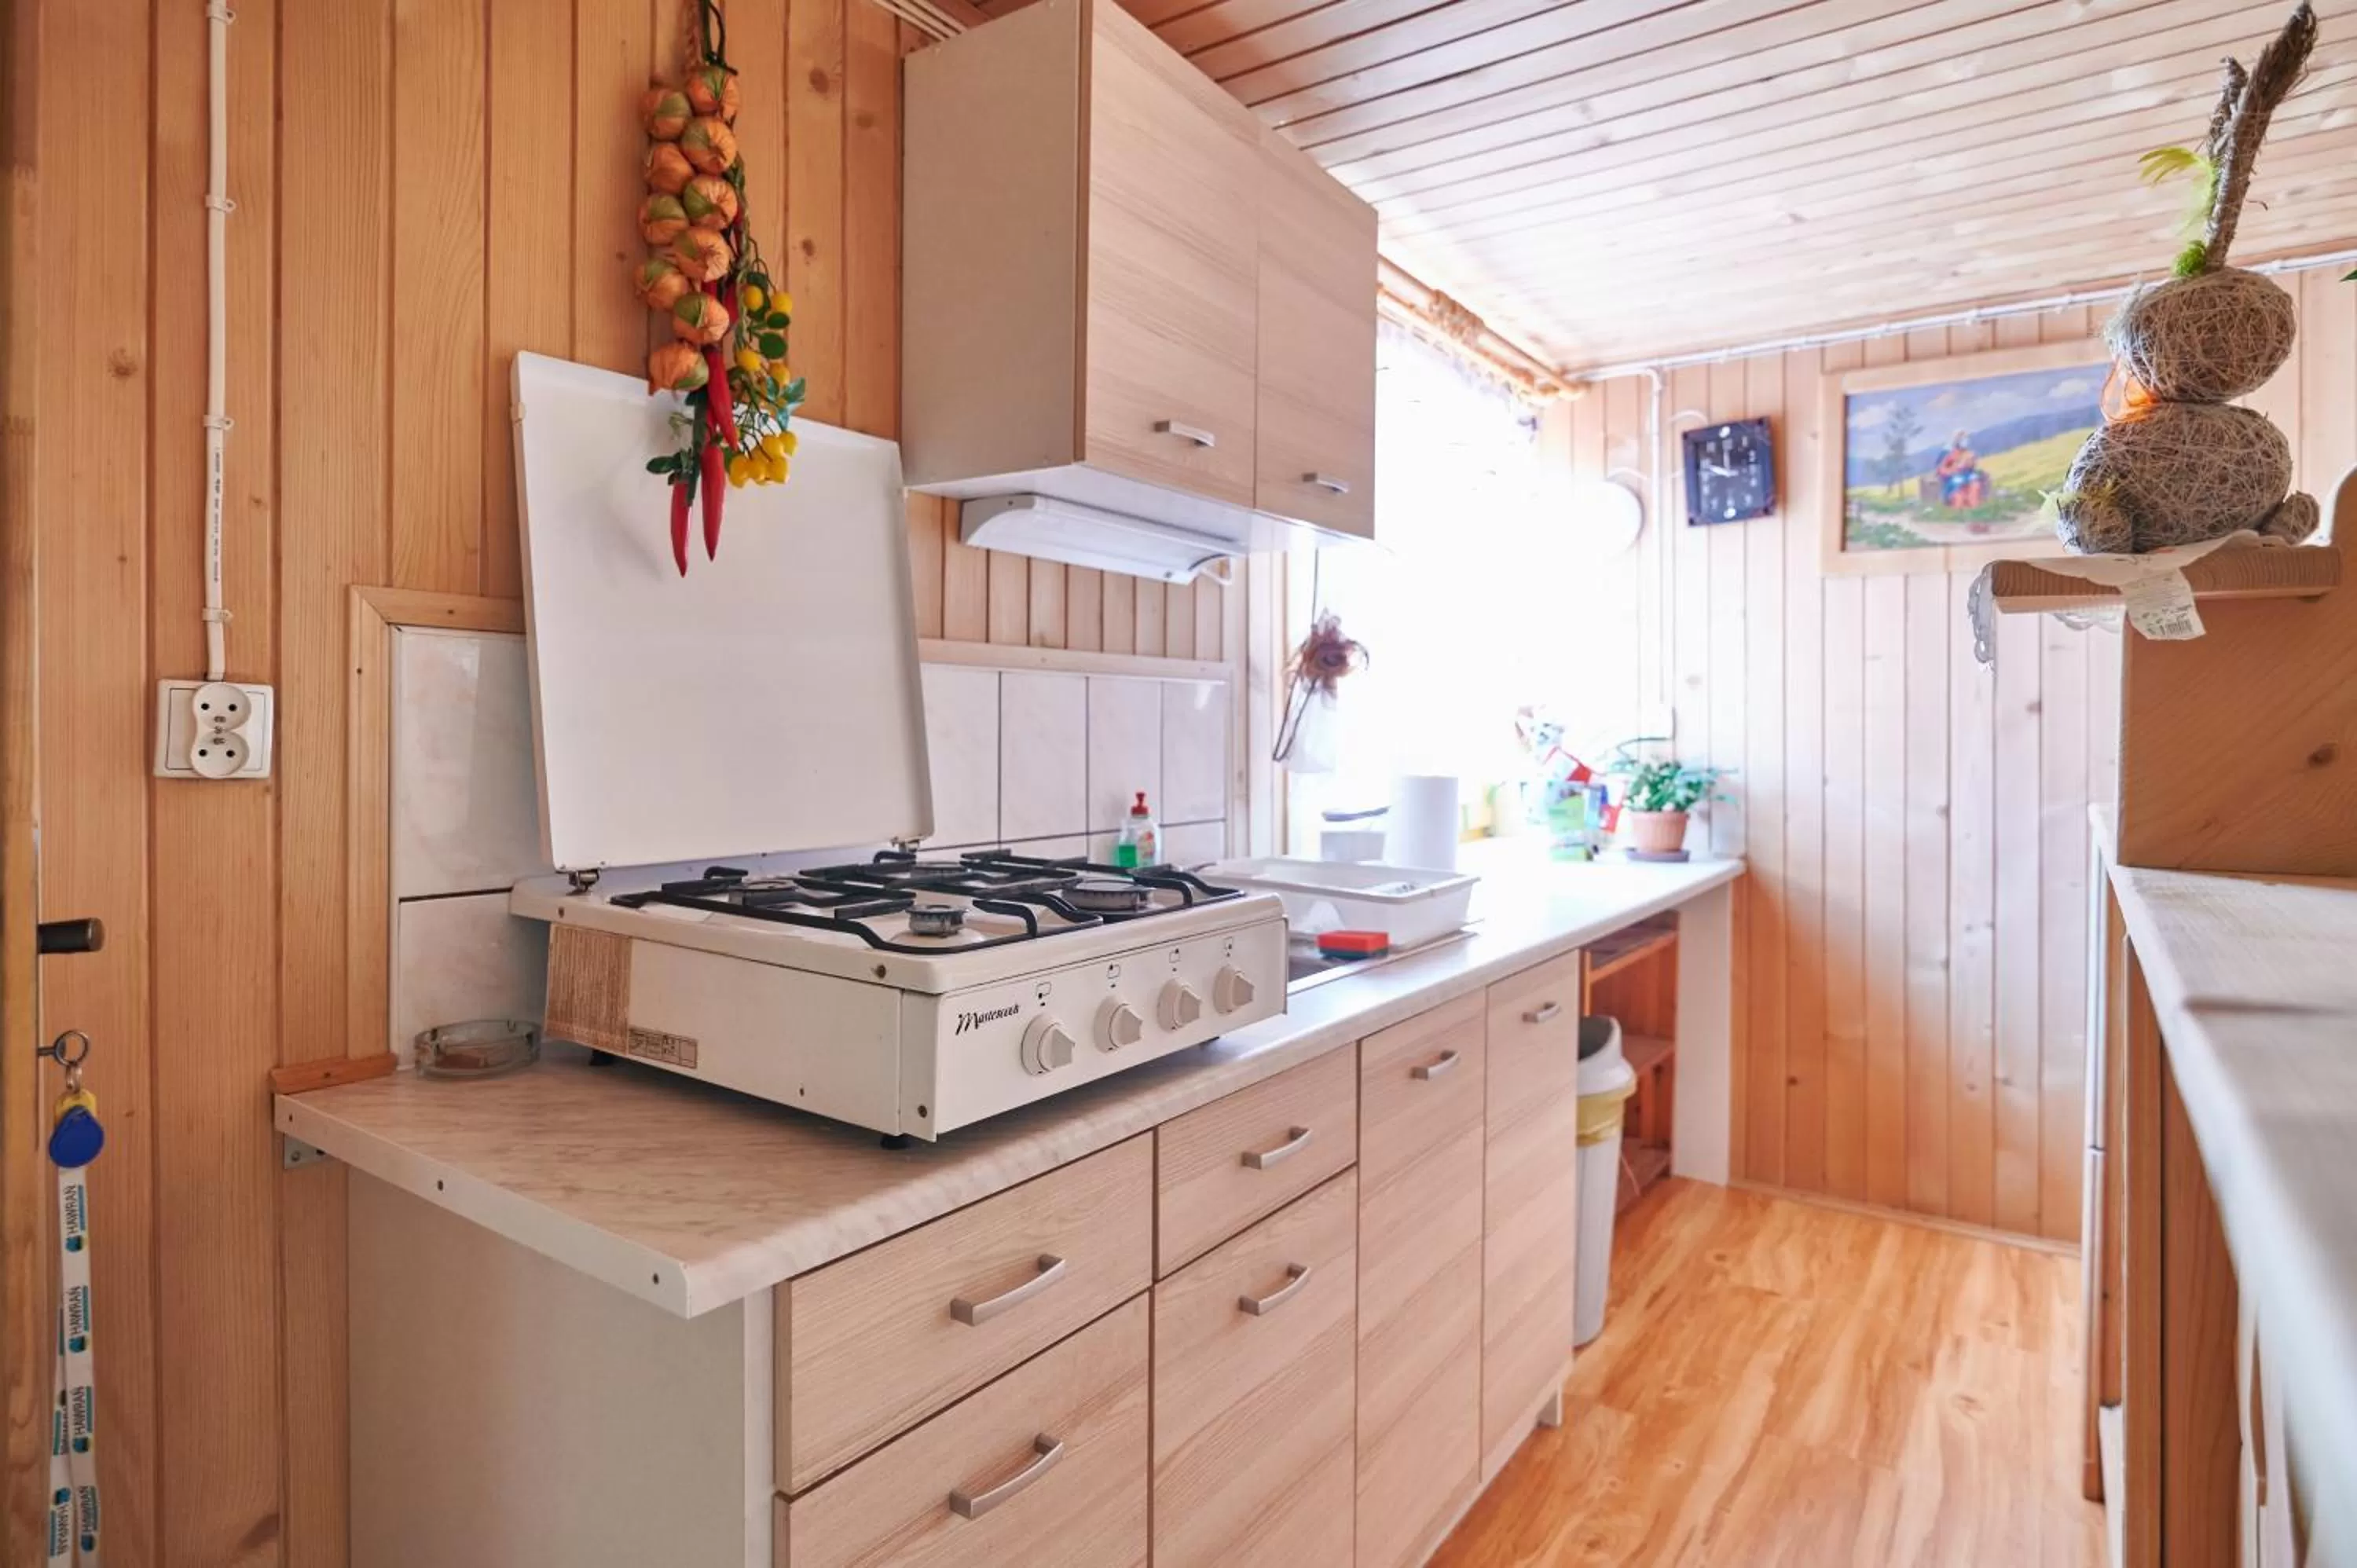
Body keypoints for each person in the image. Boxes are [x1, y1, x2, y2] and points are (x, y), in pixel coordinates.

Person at [1935, 430, 1988, 508]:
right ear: (1958, 441)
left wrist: (1970, 463)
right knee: (1959, 495)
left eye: (1966, 439)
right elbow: (1941, 469)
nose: (1965, 441)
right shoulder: (1949, 453)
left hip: (1967, 477)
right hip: (1954, 480)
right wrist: (1953, 471)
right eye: (1963, 439)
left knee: (1975, 486)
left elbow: (1972, 468)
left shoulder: (1969, 453)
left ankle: (1975, 509)